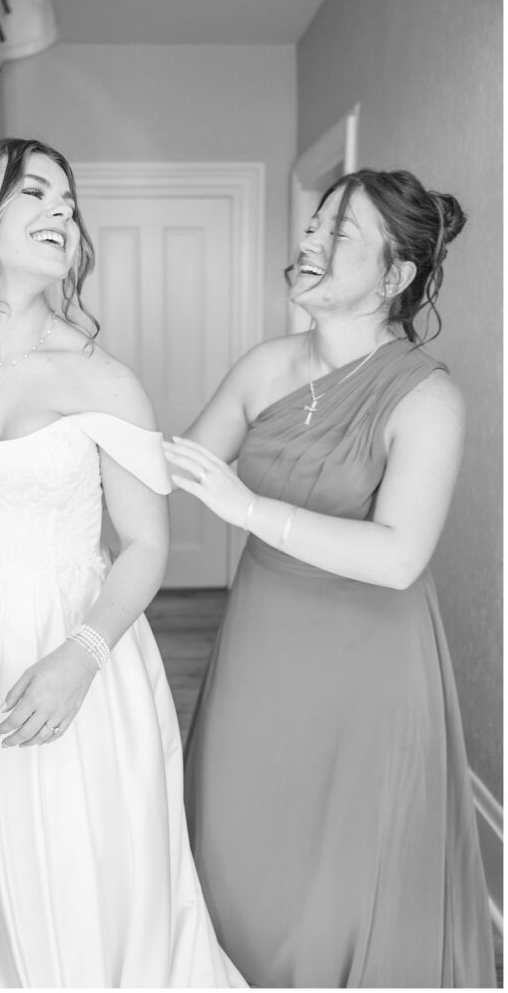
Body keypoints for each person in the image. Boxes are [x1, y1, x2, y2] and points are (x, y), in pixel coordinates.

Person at [0, 138, 245, 988]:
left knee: (88, 869)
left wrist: (82, 658)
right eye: (34, 193)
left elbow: (145, 543)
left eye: (68, 199)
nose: (62, 210)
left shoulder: (104, 379)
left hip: (81, 647)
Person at [164, 168, 497, 988]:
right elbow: (175, 467)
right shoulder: (264, 366)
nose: (308, 241)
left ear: (395, 277)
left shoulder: (426, 398)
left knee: (344, 874)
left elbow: (397, 555)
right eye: (313, 224)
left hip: (370, 663)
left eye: (337, 233)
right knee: (240, 844)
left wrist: (245, 511)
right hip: (261, 645)